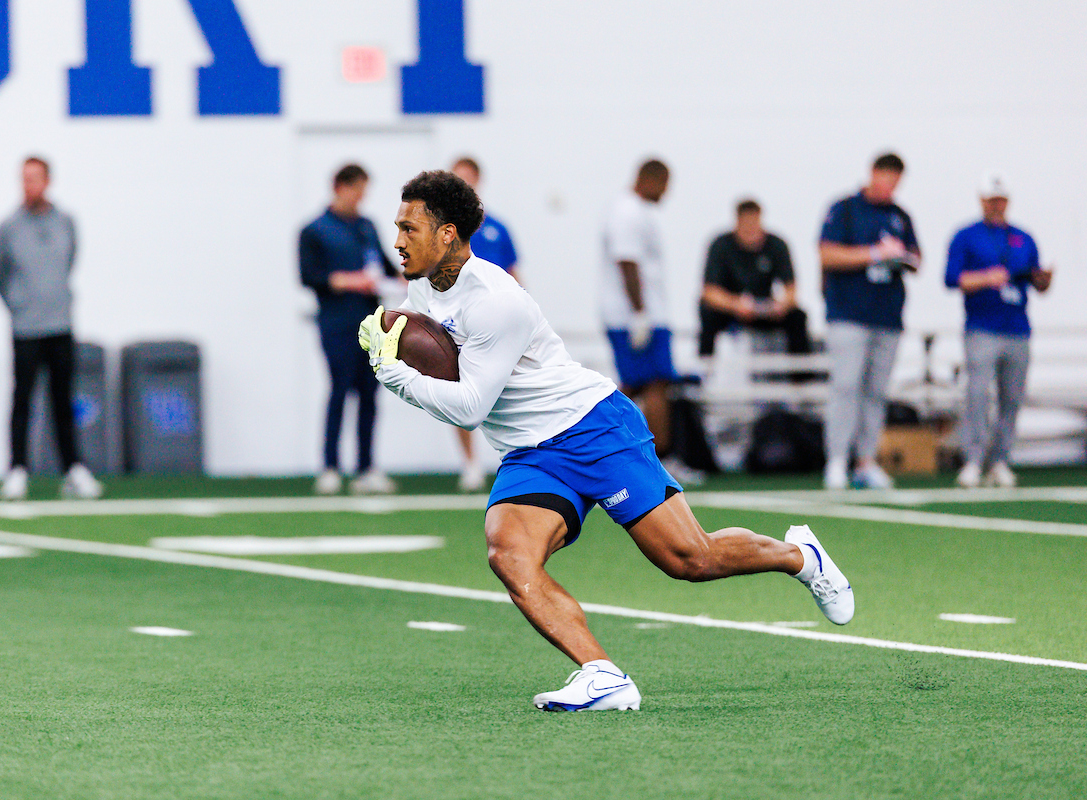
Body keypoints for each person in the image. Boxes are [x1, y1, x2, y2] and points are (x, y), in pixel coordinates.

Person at [359, 170, 854, 711]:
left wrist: (395, 374)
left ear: (448, 234)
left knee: (690, 559)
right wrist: (394, 342)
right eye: (398, 227)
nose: (398, 240)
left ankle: (799, 556)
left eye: (409, 228)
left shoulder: (497, 301)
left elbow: (471, 407)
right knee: (509, 553)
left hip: (592, 427)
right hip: (532, 452)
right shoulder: (421, 288)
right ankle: (603, 675)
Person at [0, 157, 103, 501]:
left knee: (62, 400)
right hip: (26, 328)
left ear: (48, 181)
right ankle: (17, 470)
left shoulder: (65, 222)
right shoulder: (10, 226)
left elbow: (70, 261)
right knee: (22, 399)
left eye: (35, 179)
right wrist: (19, 306)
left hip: (60, 325)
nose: (30, 185)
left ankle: (73, 468)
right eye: (24, 179)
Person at [819, 153, 920, 490]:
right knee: (846, 388)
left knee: (876, 392)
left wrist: (900, 258)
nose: (890, 187)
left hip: (887, 316)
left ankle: (865, 460)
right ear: (873, 174)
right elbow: (828, 254)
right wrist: (875, 254)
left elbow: (916, 258)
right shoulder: (845, 209)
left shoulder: (899, 215)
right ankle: (836, 460)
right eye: (886, 179)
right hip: (849, 315)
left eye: (896, 182)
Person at [945, 173, 1052, 488]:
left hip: (1017, 327)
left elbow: (1034, 279)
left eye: (1001, 199)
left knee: (1012, 396)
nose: (997, 205)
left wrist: (1043, 280)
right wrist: (986, 278)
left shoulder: (1023, 237)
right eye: (991, 199)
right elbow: (953, 279)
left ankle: (1001, 459)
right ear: (982, 201)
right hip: (982, 327)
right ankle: (974, 460)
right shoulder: (966, 236)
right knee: (977, 394)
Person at [299, 164, 399, 495]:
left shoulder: (367, 226)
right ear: (339, 187)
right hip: (337, 323)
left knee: (370, 393)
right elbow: (309, 276)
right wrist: (348, 280)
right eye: (357, 190)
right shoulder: (315, 230)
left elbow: (385, 265)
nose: (361, 197)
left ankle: (366, 467)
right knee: (339, 389)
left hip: (372, 323)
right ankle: (329, 466)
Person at [599, 159, 696, 482]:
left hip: (642, 314)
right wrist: (640, 313)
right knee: (656, 384)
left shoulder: (636, 211)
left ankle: (609, 452)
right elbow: (627, 263)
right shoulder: (628, 212)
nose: (667, 192)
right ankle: (659, 460)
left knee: (639, 385)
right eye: (665, 184)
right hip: (636, 316)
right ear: (651, 180)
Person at [448, 156, 521, 492]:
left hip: (498, 322)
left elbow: (514, 275)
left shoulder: (497, 228)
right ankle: (470, 463)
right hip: (459, 321)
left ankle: (518, 455)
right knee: (463, 392)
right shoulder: (442, 232)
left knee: (510, 390)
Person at [698, 199, 812, 358]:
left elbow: (791, 289)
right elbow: (709, 292)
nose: (751, 228)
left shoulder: (776, 245)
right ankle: (704, 370)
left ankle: (802, 377)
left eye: (754, 222)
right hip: (730, 309)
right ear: (737, 221)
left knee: (797, 317)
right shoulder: (721, 245)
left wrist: (781, 305)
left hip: (764, 308)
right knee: (707, 313)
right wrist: (735, 304)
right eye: (746, 223)